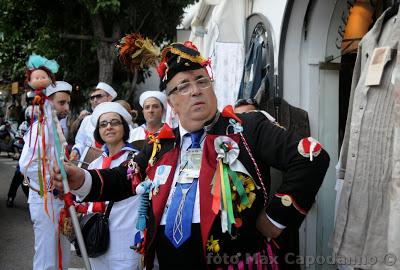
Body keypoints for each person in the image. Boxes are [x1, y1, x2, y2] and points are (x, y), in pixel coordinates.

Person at [52, 41, 330, 269]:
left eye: (202, 81)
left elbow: (312, 158)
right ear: (171, 101)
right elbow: (121, 179)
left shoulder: (247, 128)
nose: (196, 90)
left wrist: (276, 218)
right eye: (183, 86)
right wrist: (81, 178)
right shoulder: (159, 146)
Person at [82, 101, 141, 269]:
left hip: (126, 242)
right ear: (98, 132)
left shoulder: (136, 160)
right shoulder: (94, 165)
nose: (109, 127)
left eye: (115, 122)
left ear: (124, 127)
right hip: (96, 240)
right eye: (103, 124)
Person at [20, 81, 72, 269]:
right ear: (48, 103)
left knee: (62, 257)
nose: (66, 107)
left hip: (59, 199)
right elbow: (26, 166)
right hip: (45, 200)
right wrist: (55, 179)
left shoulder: (57, 129)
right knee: (47, 258)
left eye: (67, 103)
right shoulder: (39, 129)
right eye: (61, 103)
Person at [70, 82, 117, 161]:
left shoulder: (118, 118)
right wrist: (76, 150)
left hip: (112, 164)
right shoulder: (87, 120)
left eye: (99, 96)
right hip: (88, 165)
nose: (95, 100)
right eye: (92, 98)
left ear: (110, 98)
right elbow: (80, 142)